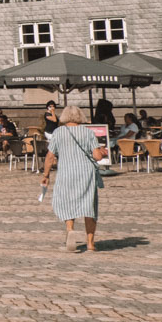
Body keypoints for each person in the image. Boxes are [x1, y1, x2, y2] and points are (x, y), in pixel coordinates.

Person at [46, 103, 107, 253]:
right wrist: (103, 152)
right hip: (86, 173)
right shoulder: (88, 133)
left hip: (66, 173)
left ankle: (70, 229)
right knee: (89, 206)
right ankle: (90, 243)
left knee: (67, 202)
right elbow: (97, 156)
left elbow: (50, 156)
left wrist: (45, 175)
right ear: (80, 116)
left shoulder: (58, 132)